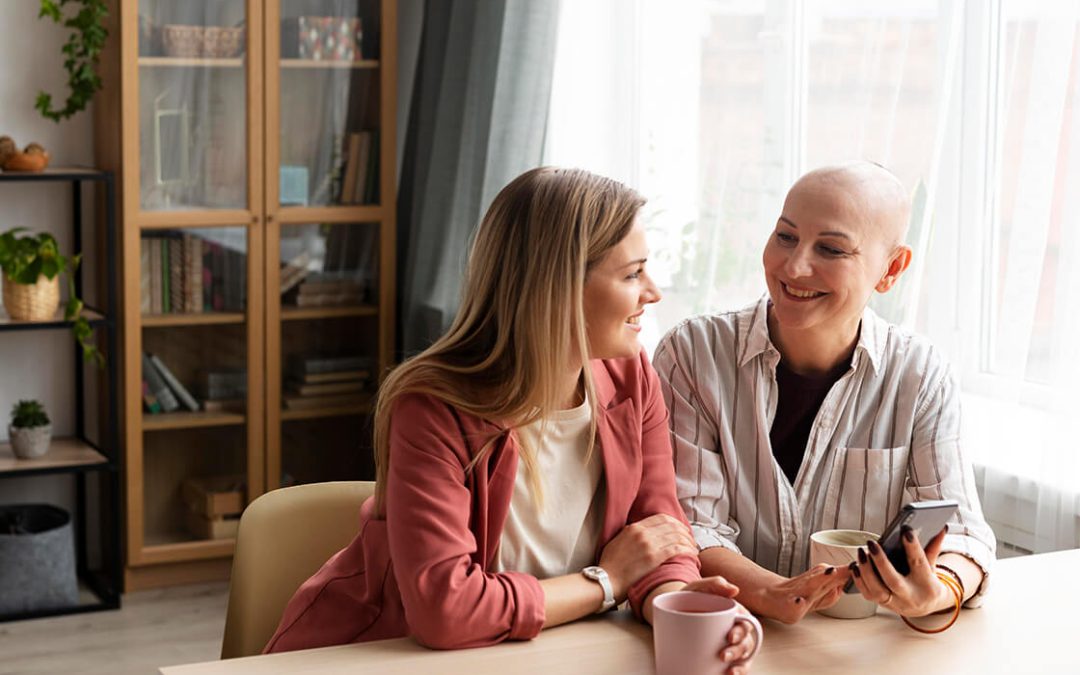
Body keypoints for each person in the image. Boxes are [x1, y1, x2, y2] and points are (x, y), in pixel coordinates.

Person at [265, 167, 756, 671]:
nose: (653, 292)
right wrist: (606, 581)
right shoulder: (431, 408)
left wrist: (680, 606)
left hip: (547, 653)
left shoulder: (632, 379)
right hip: (379, 658)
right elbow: (445, 612)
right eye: (632, 274)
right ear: (558, 287)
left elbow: (659, 532)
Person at [653, 161, 996, 626]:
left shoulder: (920, 373)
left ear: (891, 269)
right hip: (730, 632)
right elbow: (688, 525)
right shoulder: (693, 354)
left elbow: (965, 535)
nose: (793, 267)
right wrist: (774, 592)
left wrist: (936, 592)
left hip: (857, 649)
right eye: (785, 237)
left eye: (831, 249)